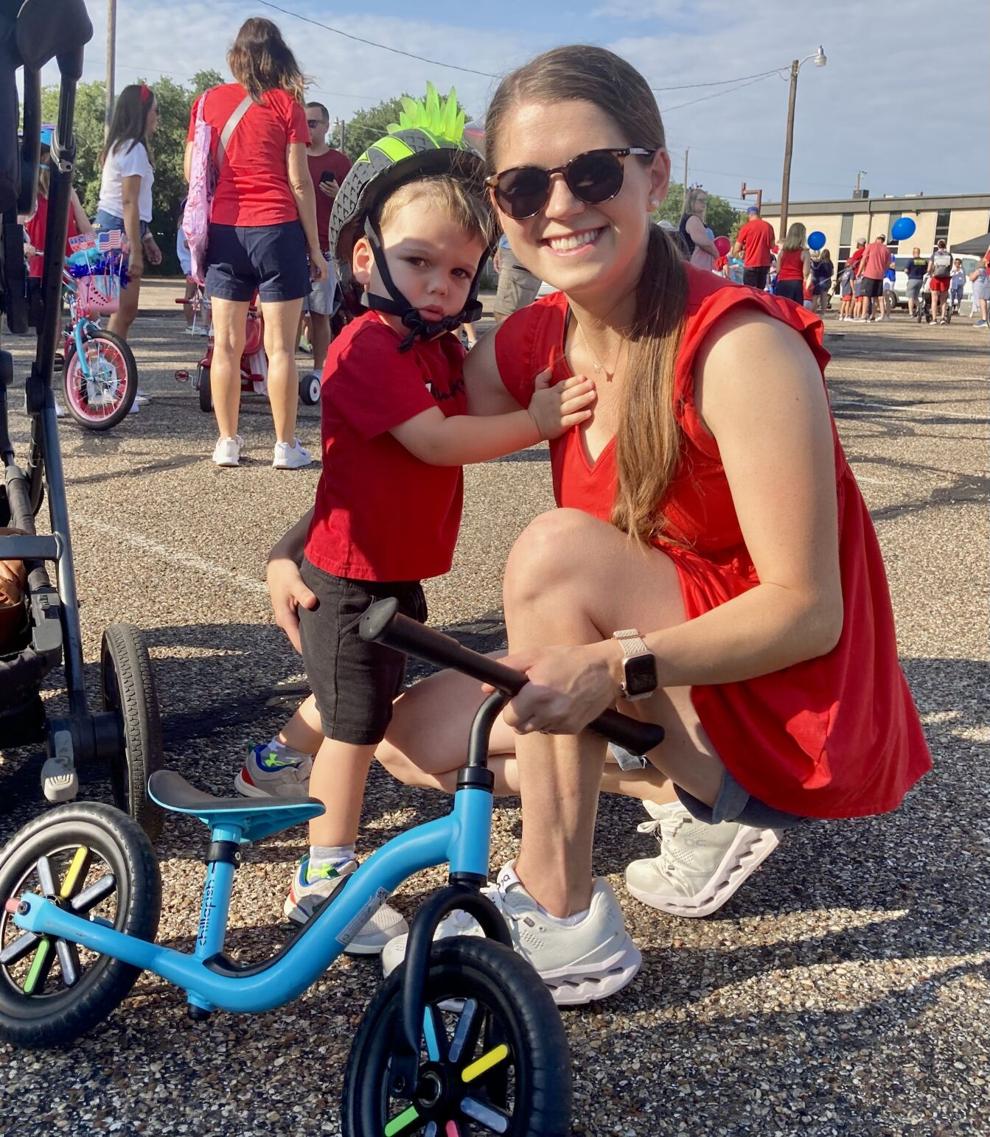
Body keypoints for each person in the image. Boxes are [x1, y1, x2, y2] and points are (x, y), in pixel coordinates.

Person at [266, 45, 931, 1005]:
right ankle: (678, 798)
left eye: (590, 173)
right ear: (499, 209)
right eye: (527, 186)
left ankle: (562, 912)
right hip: (668, 671)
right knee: (408, 741)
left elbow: (808, 613)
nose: (561, 207)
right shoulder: (533, 340)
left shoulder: (743, 348)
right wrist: (291, 549)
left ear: (654, 173)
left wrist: (613, 669)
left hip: (781, 715)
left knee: (553, 558)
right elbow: (396, 450)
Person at [249, 94, 594, 950]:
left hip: (388, 572)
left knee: (354, 694)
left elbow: (481, 365)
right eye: (418, 264)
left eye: (458, 272)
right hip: (348, 576)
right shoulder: (365, 346)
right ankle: (323, 875)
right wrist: (539, 424)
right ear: (365, 259)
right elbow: (436, 441)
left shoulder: (431, 344)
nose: (441, 288)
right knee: (361, 721)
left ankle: (269, 767)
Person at [184, 17, 327, 469]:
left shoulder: (206, 102)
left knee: (225, 343)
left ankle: (228, 442)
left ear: (236, 56)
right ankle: (286, 446)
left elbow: (193, 173)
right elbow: (300, 183)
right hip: (278, 228)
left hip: (225, 229)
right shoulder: (288, 106)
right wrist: (316, 250)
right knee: (280, 347)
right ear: (277, 56)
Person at [94, 83, 163, 407]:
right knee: (123, 310)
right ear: (141, 113)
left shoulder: (122, 146)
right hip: (120, 231)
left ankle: (111, 380)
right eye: (155, 111)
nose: (157, 117)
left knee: (121, 310)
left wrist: (145, 238)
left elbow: (132, 205)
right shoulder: (133, 149)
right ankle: (105, 386)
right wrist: (136, 248)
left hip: (114, 228)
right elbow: (129, 203)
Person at [302, 101, 352, 371]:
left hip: (326, 248)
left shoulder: (340, 161)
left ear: (326, 126)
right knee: (289, 315)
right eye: (303, 123)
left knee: (321, 314)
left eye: (312, 123)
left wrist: (339, 195)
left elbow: (355, 207)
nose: (307, 129)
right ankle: (278, 370)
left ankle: (320, 371)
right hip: (293, 246)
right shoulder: (293, 156)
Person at [493, 232, 541, 322]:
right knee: (512, 314)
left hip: (519, 249)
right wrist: (501, 246)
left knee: (505, 314)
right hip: (514, 248)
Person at [732, 204, 775, 290]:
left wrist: (740, 253)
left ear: (750, 215)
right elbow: (772, 245)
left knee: (749, 292)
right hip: (764, 264)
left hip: (751, 263)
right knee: (760, 292)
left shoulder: (746, 227)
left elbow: (736, 248)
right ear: (758, 214)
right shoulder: (769, 226)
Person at [678, 186, 719, 272]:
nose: (704, 203)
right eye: (700, 200)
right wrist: (718, 255)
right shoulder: (692, 219)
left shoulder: (699, 222)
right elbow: (703, 242)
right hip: (694, 268)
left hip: (701, 268)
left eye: (705, 201)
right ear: (692, 202)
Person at [856, 234, 892, 322]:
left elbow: (863, 259)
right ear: (883, 240)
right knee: (877, 296)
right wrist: (883, 271)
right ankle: (875, 315)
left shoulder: (870, 246)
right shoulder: (887, 249)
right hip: (880, 275)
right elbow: (888, 264)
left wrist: (859, 272)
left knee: (866, 296)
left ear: (876, 239)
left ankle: (864, 315)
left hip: (869, 274)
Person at [774, 223, 811, 305]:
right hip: (796, 283)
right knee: (795, 310)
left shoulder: (782, 252)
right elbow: (806, 272)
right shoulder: (805, 253)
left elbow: (778, 270)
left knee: (781, 309)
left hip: (782, 283)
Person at [927, 239, 953, 325]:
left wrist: (930, 273)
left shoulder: (934, 255)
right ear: (945, 245)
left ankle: (934, 319)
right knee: (943, 300)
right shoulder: (949, 255)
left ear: (937, 245)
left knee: (934, 299)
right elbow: (950, 267)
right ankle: (942, 318)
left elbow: (929, 268)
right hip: (945, 278)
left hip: (936, 278)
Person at [809, 247, 833, 315]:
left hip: (820, 281)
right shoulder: (830, 262)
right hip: (828, 281)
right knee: (824, 297)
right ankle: (823, 312)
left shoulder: (820, 262)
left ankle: (813, 311)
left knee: (815, 297)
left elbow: (815, 269)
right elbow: (832, 272)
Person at [904, 246, 927, 317]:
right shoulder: (924, 261)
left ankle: (911, 313)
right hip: (920, 280)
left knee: (910, 297)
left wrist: (909, 274)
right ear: (919, 253)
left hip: (912, 279)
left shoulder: (911, 261)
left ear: (913, 253)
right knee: (916, 297)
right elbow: (926, 270)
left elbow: (906, 270)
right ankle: (920, 308)